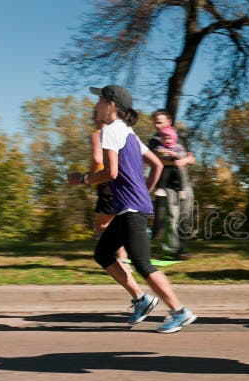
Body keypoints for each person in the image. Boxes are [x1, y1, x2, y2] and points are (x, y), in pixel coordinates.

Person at [68, 84, 196, 333]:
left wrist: (83, 179)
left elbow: (110, 172)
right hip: (132, 206)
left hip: (131, 209)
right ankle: (141, 299)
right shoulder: (128, 132)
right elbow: (157, 164)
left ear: (111, 106)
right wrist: (144, 191)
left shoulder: (110, 131)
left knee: (142, 263)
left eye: (99, 101)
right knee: (103, 253)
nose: (96, 105)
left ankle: (179, 311)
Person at [149, 110, 196, 260]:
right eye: (155, 122)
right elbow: (152, 159)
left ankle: (181, 247)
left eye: (160, 121)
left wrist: (183, 161)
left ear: (168, 121)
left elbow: (191, 158)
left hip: (183, 181)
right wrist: (173, 161)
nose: (157, 125)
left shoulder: (180, 138)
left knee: (185, 215)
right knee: (171, 216)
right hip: (166, 184)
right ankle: (170, 249)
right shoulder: (155, 140)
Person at [89, 110, 129, 268]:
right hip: (123, 179)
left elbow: (97, 158)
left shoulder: (97, 134)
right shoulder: (121, 132)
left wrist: (90, 176)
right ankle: (122, 257)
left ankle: (119, 258)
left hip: (105, 179)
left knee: (102, 223)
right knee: (115, 220)